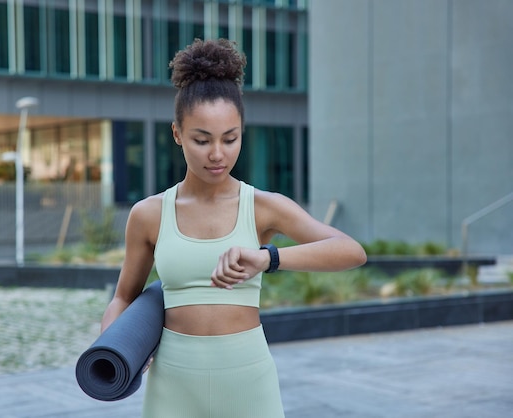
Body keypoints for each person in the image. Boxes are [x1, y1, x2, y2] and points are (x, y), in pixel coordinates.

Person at [100, 38, 367, 418]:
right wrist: (115, 345)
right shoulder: (149, 214)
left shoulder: (262, 206)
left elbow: (351, 251)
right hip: (173, 383)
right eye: (201, 139)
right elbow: (123, 297)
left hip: (247, 379)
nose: (217, 154)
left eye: (230, 138)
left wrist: (267, 258)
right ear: (177, 134)